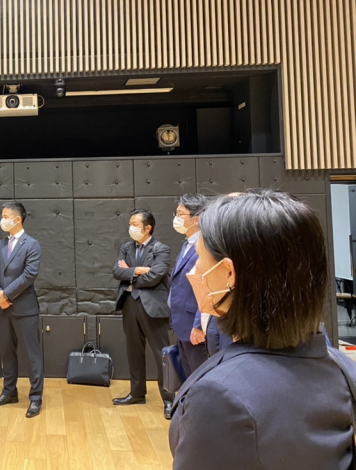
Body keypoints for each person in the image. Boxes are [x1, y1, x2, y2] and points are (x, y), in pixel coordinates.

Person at [170, 190, 356, 468]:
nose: (193, 271)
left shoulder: (220, 395)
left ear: (228, 273)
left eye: (199, 257)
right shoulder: (341, 366)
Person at [112, 209, 174, 418]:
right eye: (130, 223)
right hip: (129, 304)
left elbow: (157, 275)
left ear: (148, 228)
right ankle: (137, 393)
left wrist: (130, 272)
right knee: (133, 351)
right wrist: (140, 270)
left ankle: (169, 400)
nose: (131, 227)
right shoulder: (126, 247)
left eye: (135, 224)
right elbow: (116, 271)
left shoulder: (161, 249)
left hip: (153, 307)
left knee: (161, 354)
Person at [0, 201, 44, 418]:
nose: (2, 219)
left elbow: (29, 275)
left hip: (24, 308)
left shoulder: (32, 244)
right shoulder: (0, 245)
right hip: (3, 308)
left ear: (18, 219)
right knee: (7, 352)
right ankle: (9, 392)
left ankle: (36, 398)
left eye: (5, 216)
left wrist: (6, 294)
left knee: (31, 355)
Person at [168, 194, 209, 379]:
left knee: (199, 377)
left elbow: (207, 287)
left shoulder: (205, 246)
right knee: (188, 378)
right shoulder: (186, 245)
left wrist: (199, 325)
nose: (176, 219)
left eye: (181, 214)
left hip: (194, 326)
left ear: (196, 219)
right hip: (181, 323)